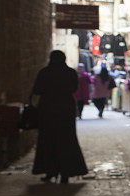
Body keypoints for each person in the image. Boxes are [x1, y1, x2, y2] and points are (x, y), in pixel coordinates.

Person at [30, 50, 88, 183]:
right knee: (66, 141)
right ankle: (66, 173)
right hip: (65, 110)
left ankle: (50, 171)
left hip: (48, 110)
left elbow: (37, 90)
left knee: (48, 141)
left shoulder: (45, 72)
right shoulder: (70, 72)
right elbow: (74, 89)